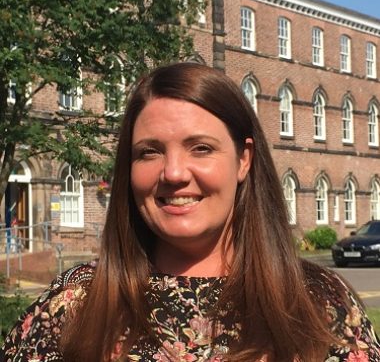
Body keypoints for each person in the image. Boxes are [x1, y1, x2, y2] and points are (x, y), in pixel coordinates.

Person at [1, 62, 379, 362]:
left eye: (200, 148)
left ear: (243, 160)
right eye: (149, 151)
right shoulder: (74, 305)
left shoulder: (318, 302)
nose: (174, 173)